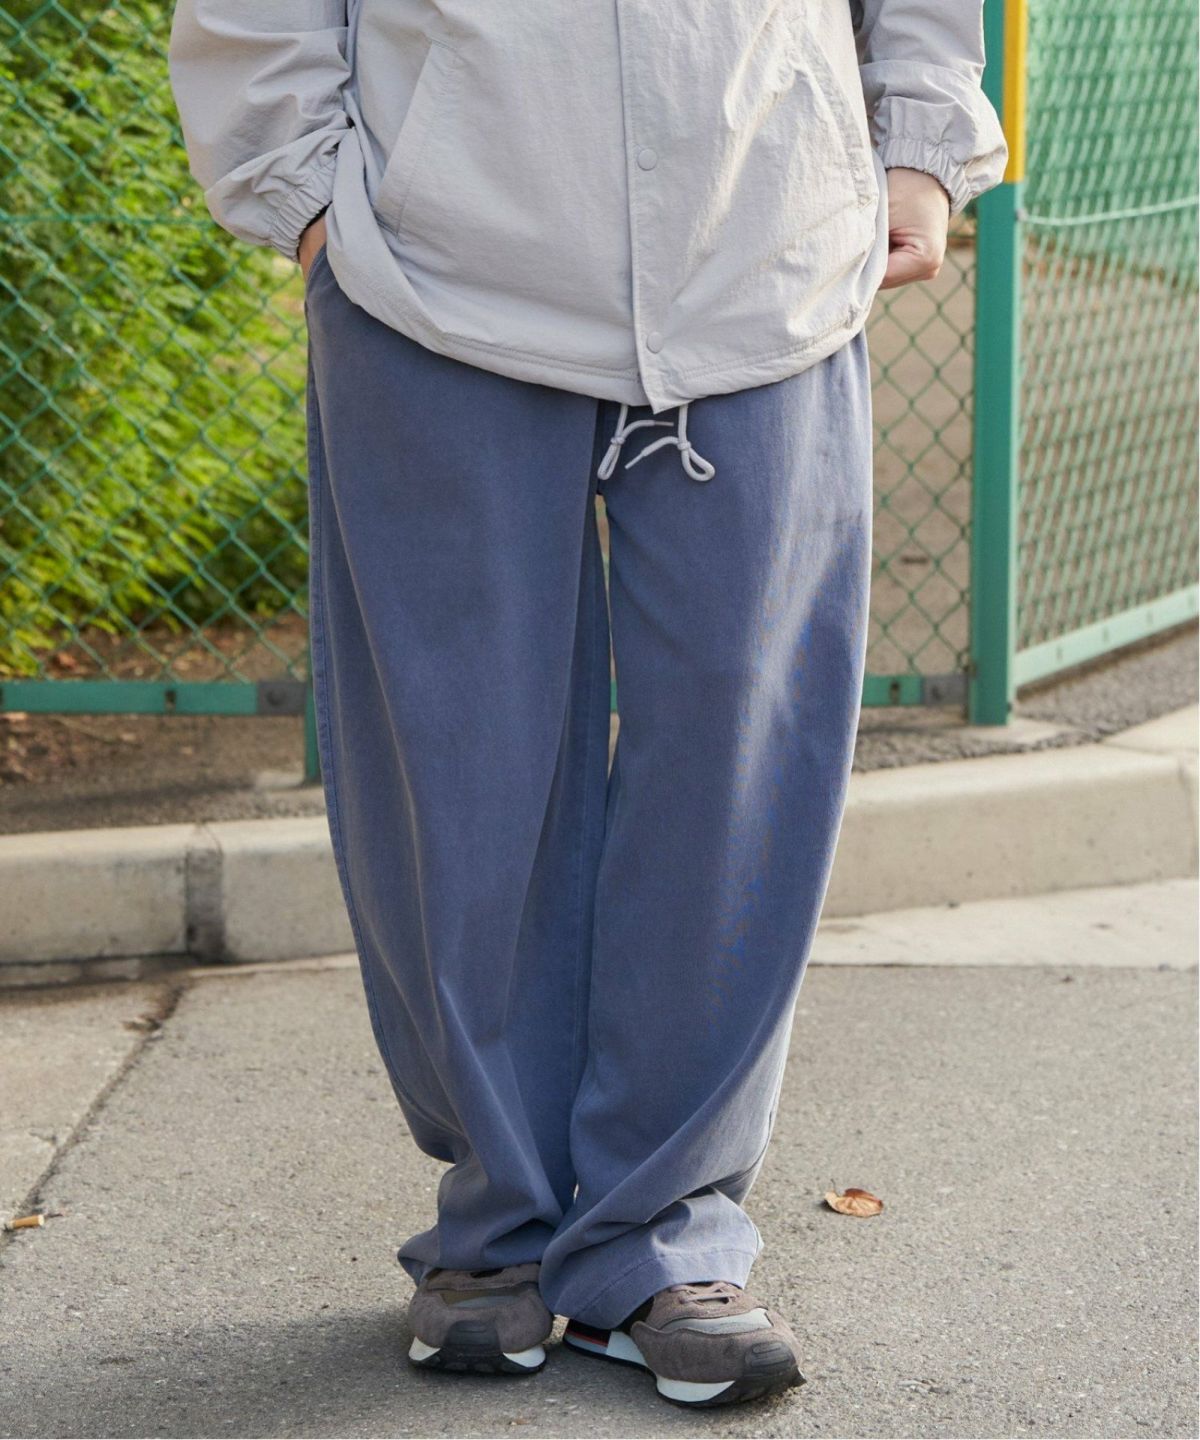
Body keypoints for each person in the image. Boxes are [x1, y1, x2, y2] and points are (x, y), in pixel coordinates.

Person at [169, 0, 1005, 1410]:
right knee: (459, 765)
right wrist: (311, 200)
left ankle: (664, 1233)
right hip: (438, 272)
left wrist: (917, 147)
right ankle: (500, 1219)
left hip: (765, 250)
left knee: (741, 760)